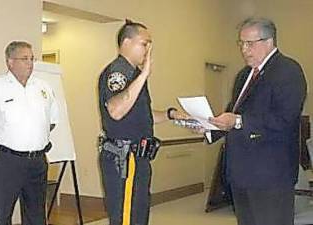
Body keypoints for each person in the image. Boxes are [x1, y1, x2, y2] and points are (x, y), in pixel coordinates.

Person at [207, 18, 307, 225]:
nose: (244, 49)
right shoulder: (243, 75)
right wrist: (207, 126)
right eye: (241, 43)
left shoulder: (288, 71)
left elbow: (285, 119)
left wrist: (238, 122)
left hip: (271, 175)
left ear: (269, 41)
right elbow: (232, 112)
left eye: (249, 43)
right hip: (241, 172)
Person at [98, 20, 186, 225]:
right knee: (126, 219)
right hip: (124, 158)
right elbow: (116, 111)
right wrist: (145, 73)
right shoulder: (119, 72)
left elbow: (142, 115)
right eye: (144, 44)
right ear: (126, 42)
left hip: (138, 158)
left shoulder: (135, 75)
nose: (148, 50)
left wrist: (171, 115)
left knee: (138, 216)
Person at [0, 41, 59, 225]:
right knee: (3, 212)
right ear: (10, 62)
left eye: (32, 59)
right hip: (8, 161)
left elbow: (52, 121)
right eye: (24, 59)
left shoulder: (43, 87)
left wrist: (33, 139)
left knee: (37, 215)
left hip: (37, 161)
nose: (30, 63)